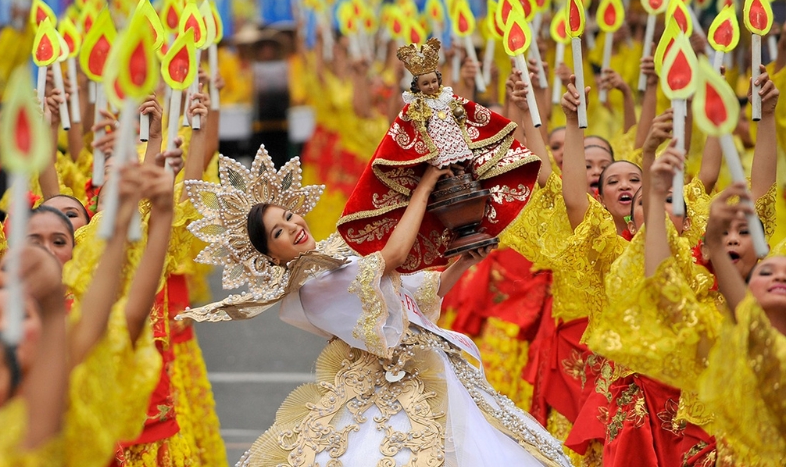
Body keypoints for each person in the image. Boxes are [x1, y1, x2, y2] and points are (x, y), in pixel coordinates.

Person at [178, 146, 572, 466]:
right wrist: (424, 186)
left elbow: (415, 298)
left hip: (430, 365)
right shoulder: (309, 289)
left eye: (288, 216)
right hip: (385, 385)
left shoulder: (336, 250)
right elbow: (395, 255)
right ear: (272, 256)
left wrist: (463, 262)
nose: (293, 226)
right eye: (278, 232)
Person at [337, 38, 541, 272]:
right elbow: (406, 130)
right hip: (435, 153)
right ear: (417, 87)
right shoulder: (415, 108)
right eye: (426, 83)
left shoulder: (449, 99)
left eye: (434, 81)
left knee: (465, 172)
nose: (432, 86)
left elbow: (467, 115)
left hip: (457, 145)